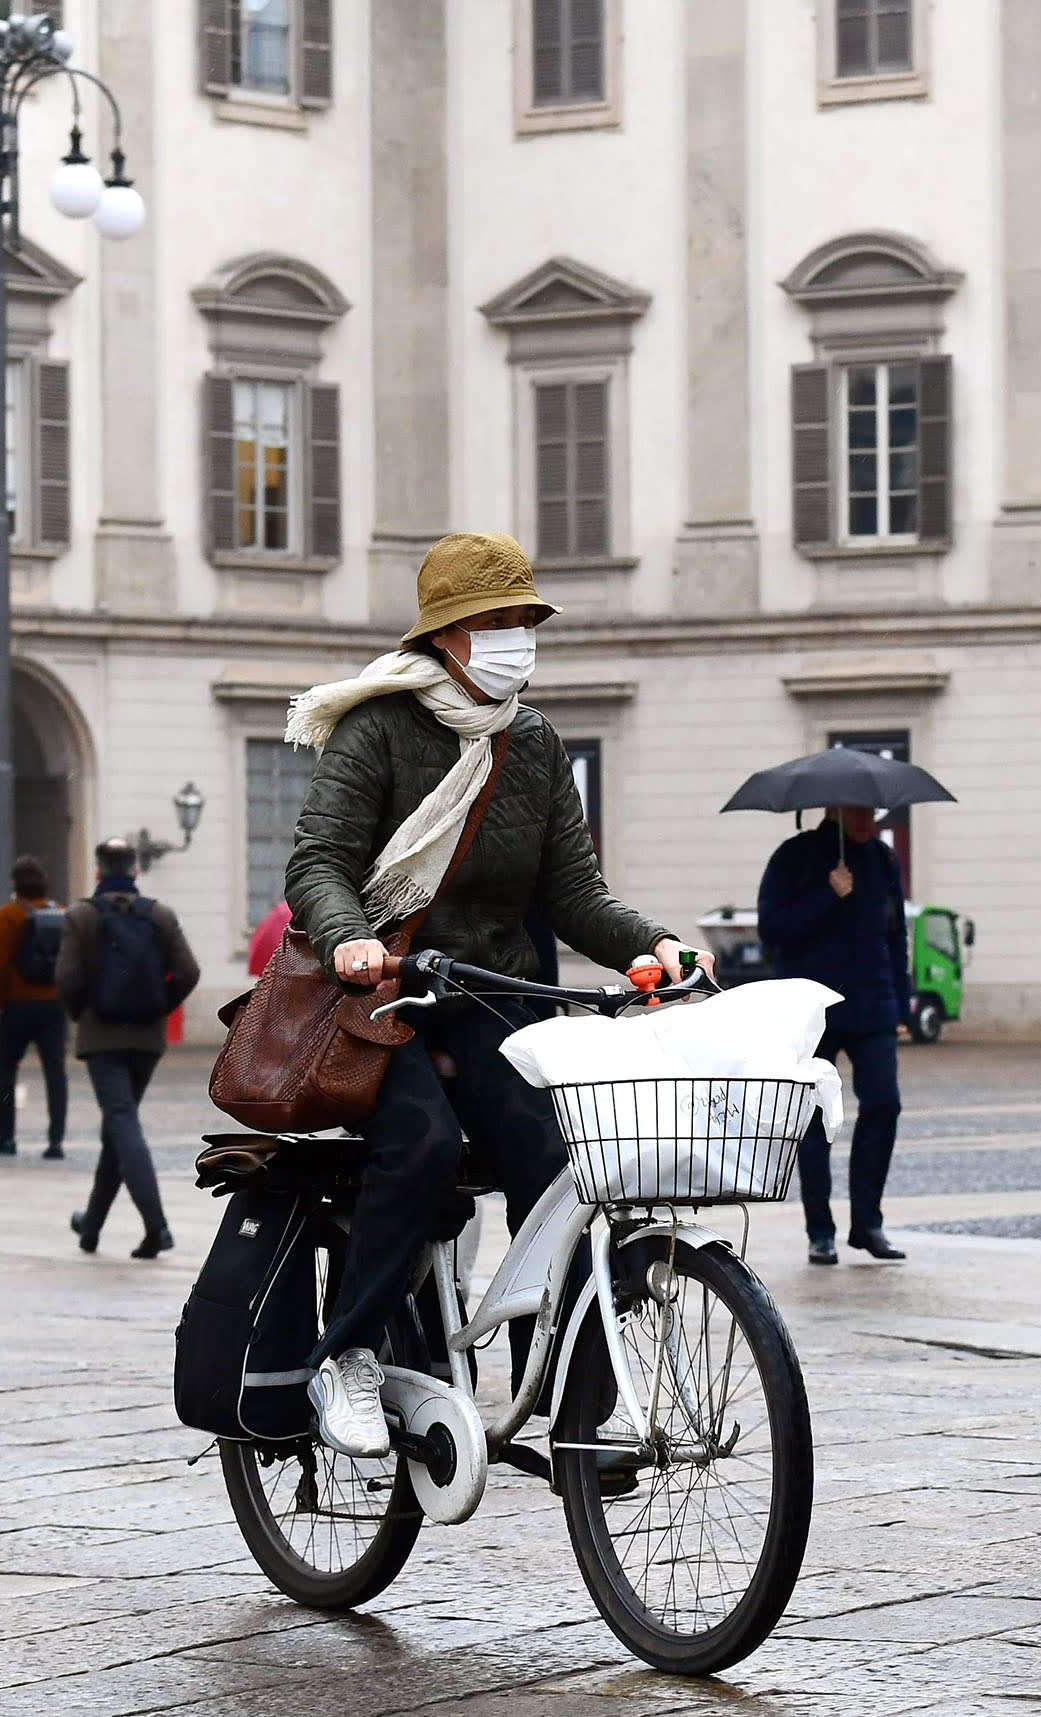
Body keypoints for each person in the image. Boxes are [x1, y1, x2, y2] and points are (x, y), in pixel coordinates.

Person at [283, 531, 692, 1460]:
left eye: (523, 620)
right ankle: (344, 1353)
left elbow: (575, 894)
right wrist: (349, 938)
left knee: (560, 1163)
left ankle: (571, 1386)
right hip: (382, 1001)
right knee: (421, 1147)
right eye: (494, 621)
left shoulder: (534, 742)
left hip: (493, 997)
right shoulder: (378, 726)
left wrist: (653, 942)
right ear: (448, 635)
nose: (516, 637)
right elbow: (318, 860)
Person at [760, 804, 912, 1265]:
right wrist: (828, 893)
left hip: (872, 1005)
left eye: (872, 812)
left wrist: (901, 1003)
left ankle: (868, 1223)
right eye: (859, 812)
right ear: (834, 811)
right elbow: (772, 928)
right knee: (813, 1120)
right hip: (813, 1010)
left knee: (885, 1103)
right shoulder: (794, 856)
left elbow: (895, 934)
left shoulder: (883, 860)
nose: (869, 820)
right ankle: (819, 1230)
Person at [58, 837, 201, 1259]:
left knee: (122, 1124)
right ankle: (91, 1227)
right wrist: (160, 1005)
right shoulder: (159, 915)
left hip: (101, 1037)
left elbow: (66, 978)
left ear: (98, 871)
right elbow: (189, 971)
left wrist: (82, 1011)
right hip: (147, 1039)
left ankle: (157, 1227)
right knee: (117, 1129)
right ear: (136, 870)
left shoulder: (81, 915)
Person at [0, 853, 68, 1160]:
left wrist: (0, 1000)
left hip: (18, 1005)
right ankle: (56, 1141)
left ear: (15, 885)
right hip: (53, 1006)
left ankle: (6, 1138)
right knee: (55, 1073)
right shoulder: (60, 913)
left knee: (6, 1071)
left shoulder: (8, 915)